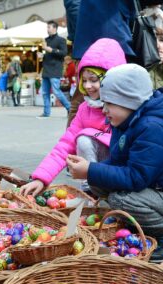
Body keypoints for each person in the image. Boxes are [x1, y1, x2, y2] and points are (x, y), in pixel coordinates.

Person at [66, 64, 163, 262]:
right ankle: (140, 222)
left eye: (109, 103)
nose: (104, 110)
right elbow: (118, 161)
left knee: (120, 200)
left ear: (128, 101)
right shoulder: (127, 119)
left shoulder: (154, 127)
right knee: (96, 179)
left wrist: (90, 169)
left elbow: (136, 177)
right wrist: (91, 171)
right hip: (154, 188)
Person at [20, 39, 127, 196]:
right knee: (82, 140)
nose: (88, 86)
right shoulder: (85, 109)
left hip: (123, 172)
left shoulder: (126, 107)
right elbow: (65, 145)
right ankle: (91, 192)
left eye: (94, 80)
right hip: (97, 172)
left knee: (88, 137)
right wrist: (41, 178)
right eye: (84, 81)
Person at [38, 21, 71, 118]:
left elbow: (64, 53)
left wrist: (51, 50)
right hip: (46, 69)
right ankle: (46, 112)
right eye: (47, 27)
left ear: (55, 28)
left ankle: (69, 108)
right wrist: (42, 55)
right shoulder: (46, 40)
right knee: (45, 92)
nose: (47, 29)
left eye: (49, 27)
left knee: (56, 91)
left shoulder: (61, 40)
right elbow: (48, 54)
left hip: (55, 69)